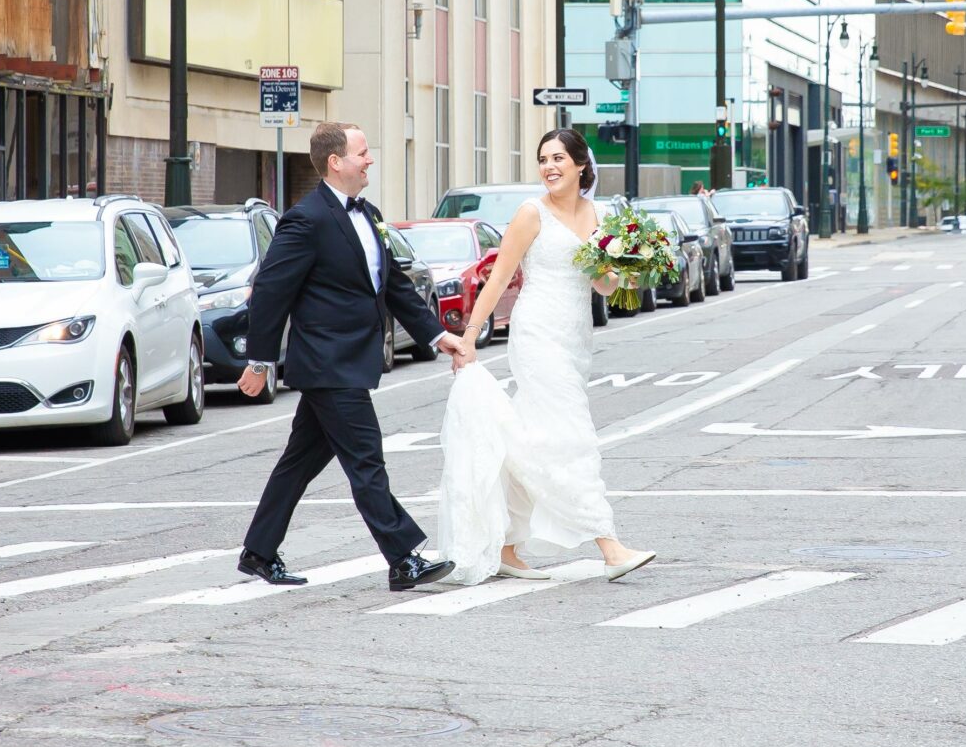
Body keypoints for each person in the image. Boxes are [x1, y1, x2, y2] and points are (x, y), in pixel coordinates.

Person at [235, 123, 470, 592]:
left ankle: (258, 551)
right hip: (328, 363)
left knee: (299, 462)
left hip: (349, 361)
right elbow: (270, 293)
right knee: (366, 460)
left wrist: (436, 335)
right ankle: (403, 558)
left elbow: (394, 286)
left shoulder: (369, 213)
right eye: (362, 153)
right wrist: (260, 362)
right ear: (335, 162)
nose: (370, 160)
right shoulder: (306, 219)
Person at [438, 128, 656, 587]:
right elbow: (497, 281)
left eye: (559, 158)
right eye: (543, 159)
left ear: (581, 165)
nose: (549, 167)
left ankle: (506, 547)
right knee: (572, 436)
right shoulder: (530, 213)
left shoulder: (595, 215)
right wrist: (470, 336)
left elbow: (602, 285)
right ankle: (608, 544)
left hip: (575, 338)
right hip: (537, 333)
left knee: (533, 437)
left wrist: (632, 272)